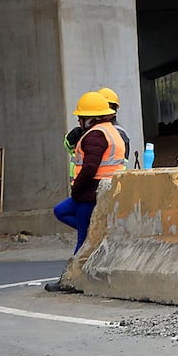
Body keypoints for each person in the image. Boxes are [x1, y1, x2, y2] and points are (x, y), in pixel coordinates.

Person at [45, 91, 127, 292]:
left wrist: (77, 188)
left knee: (82, 239)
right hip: (99, 191)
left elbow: (90, 167)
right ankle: (96, 234)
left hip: (90, 193)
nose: (79, 121)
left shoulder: (96, 136)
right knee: (61, 211)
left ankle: (72, 280)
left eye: (81, 117)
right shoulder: (109, 130)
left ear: (90, 118)